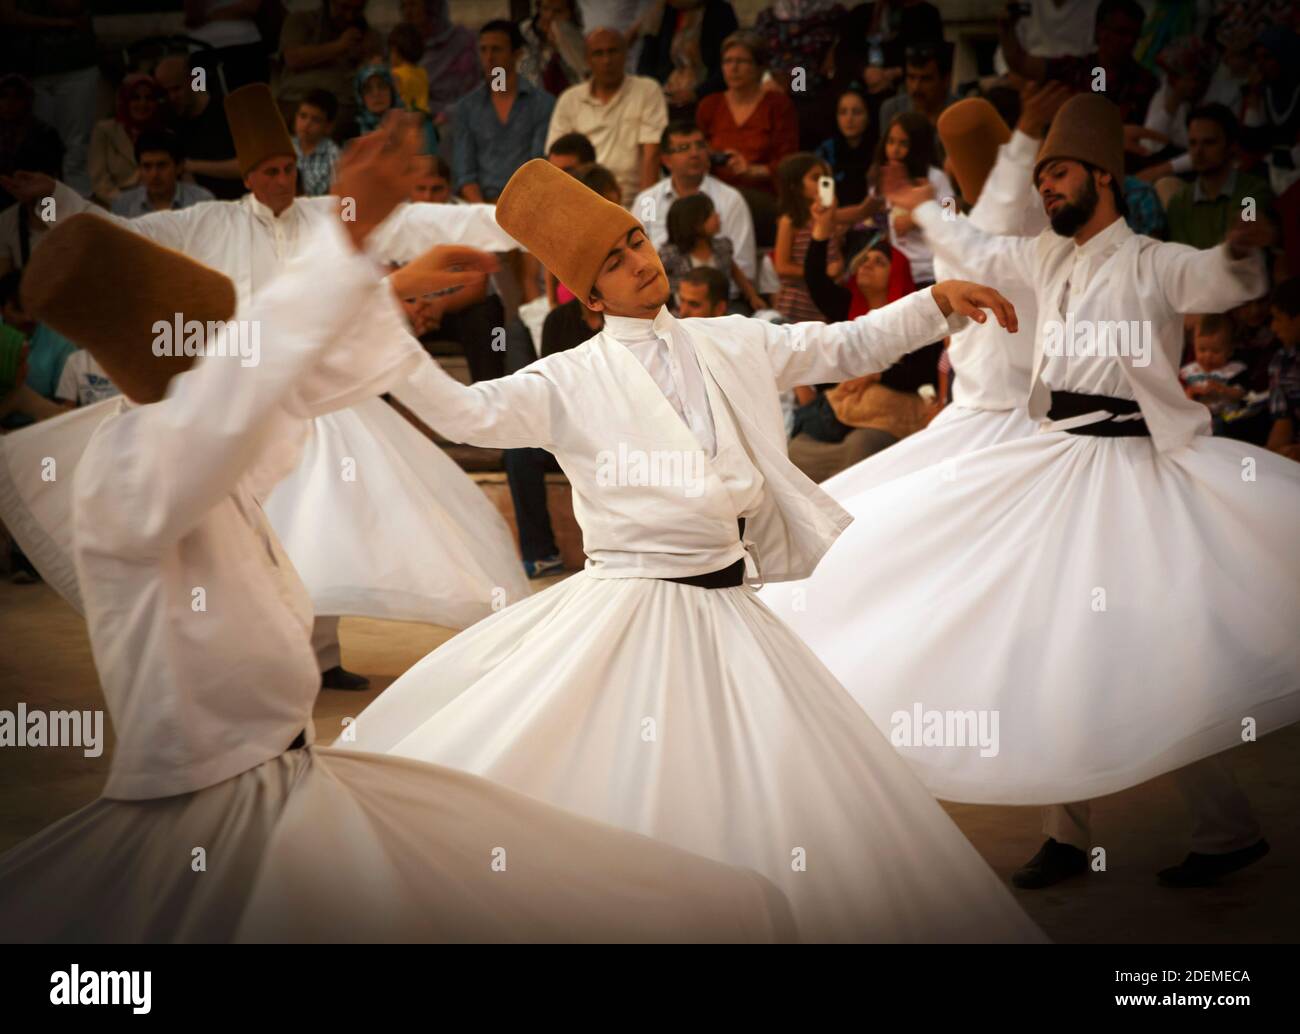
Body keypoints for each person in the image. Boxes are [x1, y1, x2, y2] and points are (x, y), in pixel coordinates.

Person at [0, 137, 796, 943]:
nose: (233, 355)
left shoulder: (183, 444)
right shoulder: (130, 473)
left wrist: (394, 290)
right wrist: (345, 250)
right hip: (212, 808)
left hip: (285, 778)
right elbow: (246, 392)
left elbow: (287, 388)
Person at [335, 155, 1047, 944]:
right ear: (590, 294)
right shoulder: (567, 379)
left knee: (772, 789)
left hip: (733, 607)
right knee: (635, 788)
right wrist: (385, 334)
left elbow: (839, 345)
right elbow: (466, 414)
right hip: (630, 610)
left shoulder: (729, 341)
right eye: (614, 261)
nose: (639, 262)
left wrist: (936, 302)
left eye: (636, 241)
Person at [769, 93, 1298, 891]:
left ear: (1103, 179)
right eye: (1041, 177)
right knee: (1048, 637)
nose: (1047, 191)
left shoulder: (1152, 261)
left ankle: (1226, 827)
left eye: (1059, 176)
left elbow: (1214, 277)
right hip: (1060, 462)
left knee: (1157, 643)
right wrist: (926, 215)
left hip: (1135, 470)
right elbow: (979, 244)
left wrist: (1242, 248)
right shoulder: (1047, 260)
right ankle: (1068, 831)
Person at [0, 86, 531, 689]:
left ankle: (321, 655)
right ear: (249, 176)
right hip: (235, 395)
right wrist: (58, 201)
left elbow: (419, 224)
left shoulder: (323, 216)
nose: (281, 179)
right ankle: (257, 663)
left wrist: (520, 221)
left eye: (287, 168)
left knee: (322, 521)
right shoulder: (208, 222)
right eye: (270, 170)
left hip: (301, 394)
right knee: (270, 527)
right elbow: (119, 239)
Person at [544, 27, 669, 206]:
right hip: (584, 202)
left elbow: (652, 155)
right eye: (598, 53)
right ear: (587, 59)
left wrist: (644, 211)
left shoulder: (647, 90)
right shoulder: (569, 99)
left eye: (613, 51)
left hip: (635, 199)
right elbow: (558, 160)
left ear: (626, 53)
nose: (607, 60)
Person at [632, 121, 757, 290]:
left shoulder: (729, 199)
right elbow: (638, 254)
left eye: (700, 146)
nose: (695, 153)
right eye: (684, 148)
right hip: (662, 297)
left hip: (720, 299)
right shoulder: (649, 201)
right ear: (666, 160)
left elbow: (744, 266)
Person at [451, 20, 556, 203]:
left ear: (517, 54)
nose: (489, 58)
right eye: (483, 50)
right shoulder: (466, 108)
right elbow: (465, 174)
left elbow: (539, 169)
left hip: (528, 205)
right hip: (479, 209)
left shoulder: (542, 104)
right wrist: (484, 211)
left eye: (497, 49)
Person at [694, 31, 798, 197]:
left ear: (759, 67)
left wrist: (752, 170)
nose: (733, 68)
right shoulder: (709, 105)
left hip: (762, 194)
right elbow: (696, 150)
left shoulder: (778, 105)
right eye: (727, 61)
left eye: (741, 61)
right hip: (716, 194)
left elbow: (789, 162)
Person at [278, 0, 382, 138]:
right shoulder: (302, 20)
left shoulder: (368, 35)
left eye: (357, 10)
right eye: (344, 7)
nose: (349, 16)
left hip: (342, 108)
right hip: (295, 99)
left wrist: (365, 59)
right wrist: (339, 47)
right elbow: (293, 58)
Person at [876, 110, 954, 287]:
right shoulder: (887, 177)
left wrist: (916, 218)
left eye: (903, 143)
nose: (894, 150)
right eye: (891, 141)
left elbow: (952, 213)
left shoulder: (936, 178)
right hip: (900, 271)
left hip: (930, 271)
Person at [153, 52, 243, 200]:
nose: (171, 97)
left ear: (194, 81)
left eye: (176, 89)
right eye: (165, 92)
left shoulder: (228, 111)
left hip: (238, 200)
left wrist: (192, 166)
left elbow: (248, 166)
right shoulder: (172, 122)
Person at [657, 192, 764, 312]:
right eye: (711, 214)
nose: (717, 216)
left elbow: (735, 271)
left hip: (719, 309)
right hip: (684, 311)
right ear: (695, 223)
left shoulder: (722, 248)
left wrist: (752, 296)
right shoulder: (671, 255)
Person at [772, 152, 841, 322]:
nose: (822, 183)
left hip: (822, 302)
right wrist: (819, 272)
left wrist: (838, 265)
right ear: (795, 185)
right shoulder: (789, 221)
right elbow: (782, 266)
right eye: (815, 178)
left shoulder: (828, 218)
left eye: (825, 178)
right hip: (797, 303)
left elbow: (834, 253)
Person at [88, 73, 166, 207]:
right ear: (125, 100)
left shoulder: (165, 133)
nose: (143, 103)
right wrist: (128, 205)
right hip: (112, 206)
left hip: (157, 206)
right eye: (135, 98)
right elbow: (100, 182)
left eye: (149, 98)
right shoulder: (105, 131)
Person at [110, 130, 214, 217]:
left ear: (179, 167)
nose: (154, 174)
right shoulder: (123, 204)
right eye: (147, 166)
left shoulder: (202, 200)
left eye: (162, 165)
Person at [519, 0, 588, 96]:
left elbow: (581, 77)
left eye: (558, 11)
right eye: (545, 9)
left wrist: (560, 47)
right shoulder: (525, 32)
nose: (549, 16)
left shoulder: (578, 37)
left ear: (569, 13)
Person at [1265, 277, 1300, 461]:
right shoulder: (1280, 363)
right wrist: (1271, 458)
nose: (1273, 327)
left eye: (1278, 319)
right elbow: (1282, 422)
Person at [291, 88, 342, 197]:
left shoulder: (334, 155)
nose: (307, 124)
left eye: (316, 120)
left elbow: (336, 195)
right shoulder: (285, 146)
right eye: (303, 116)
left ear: (328, 127)